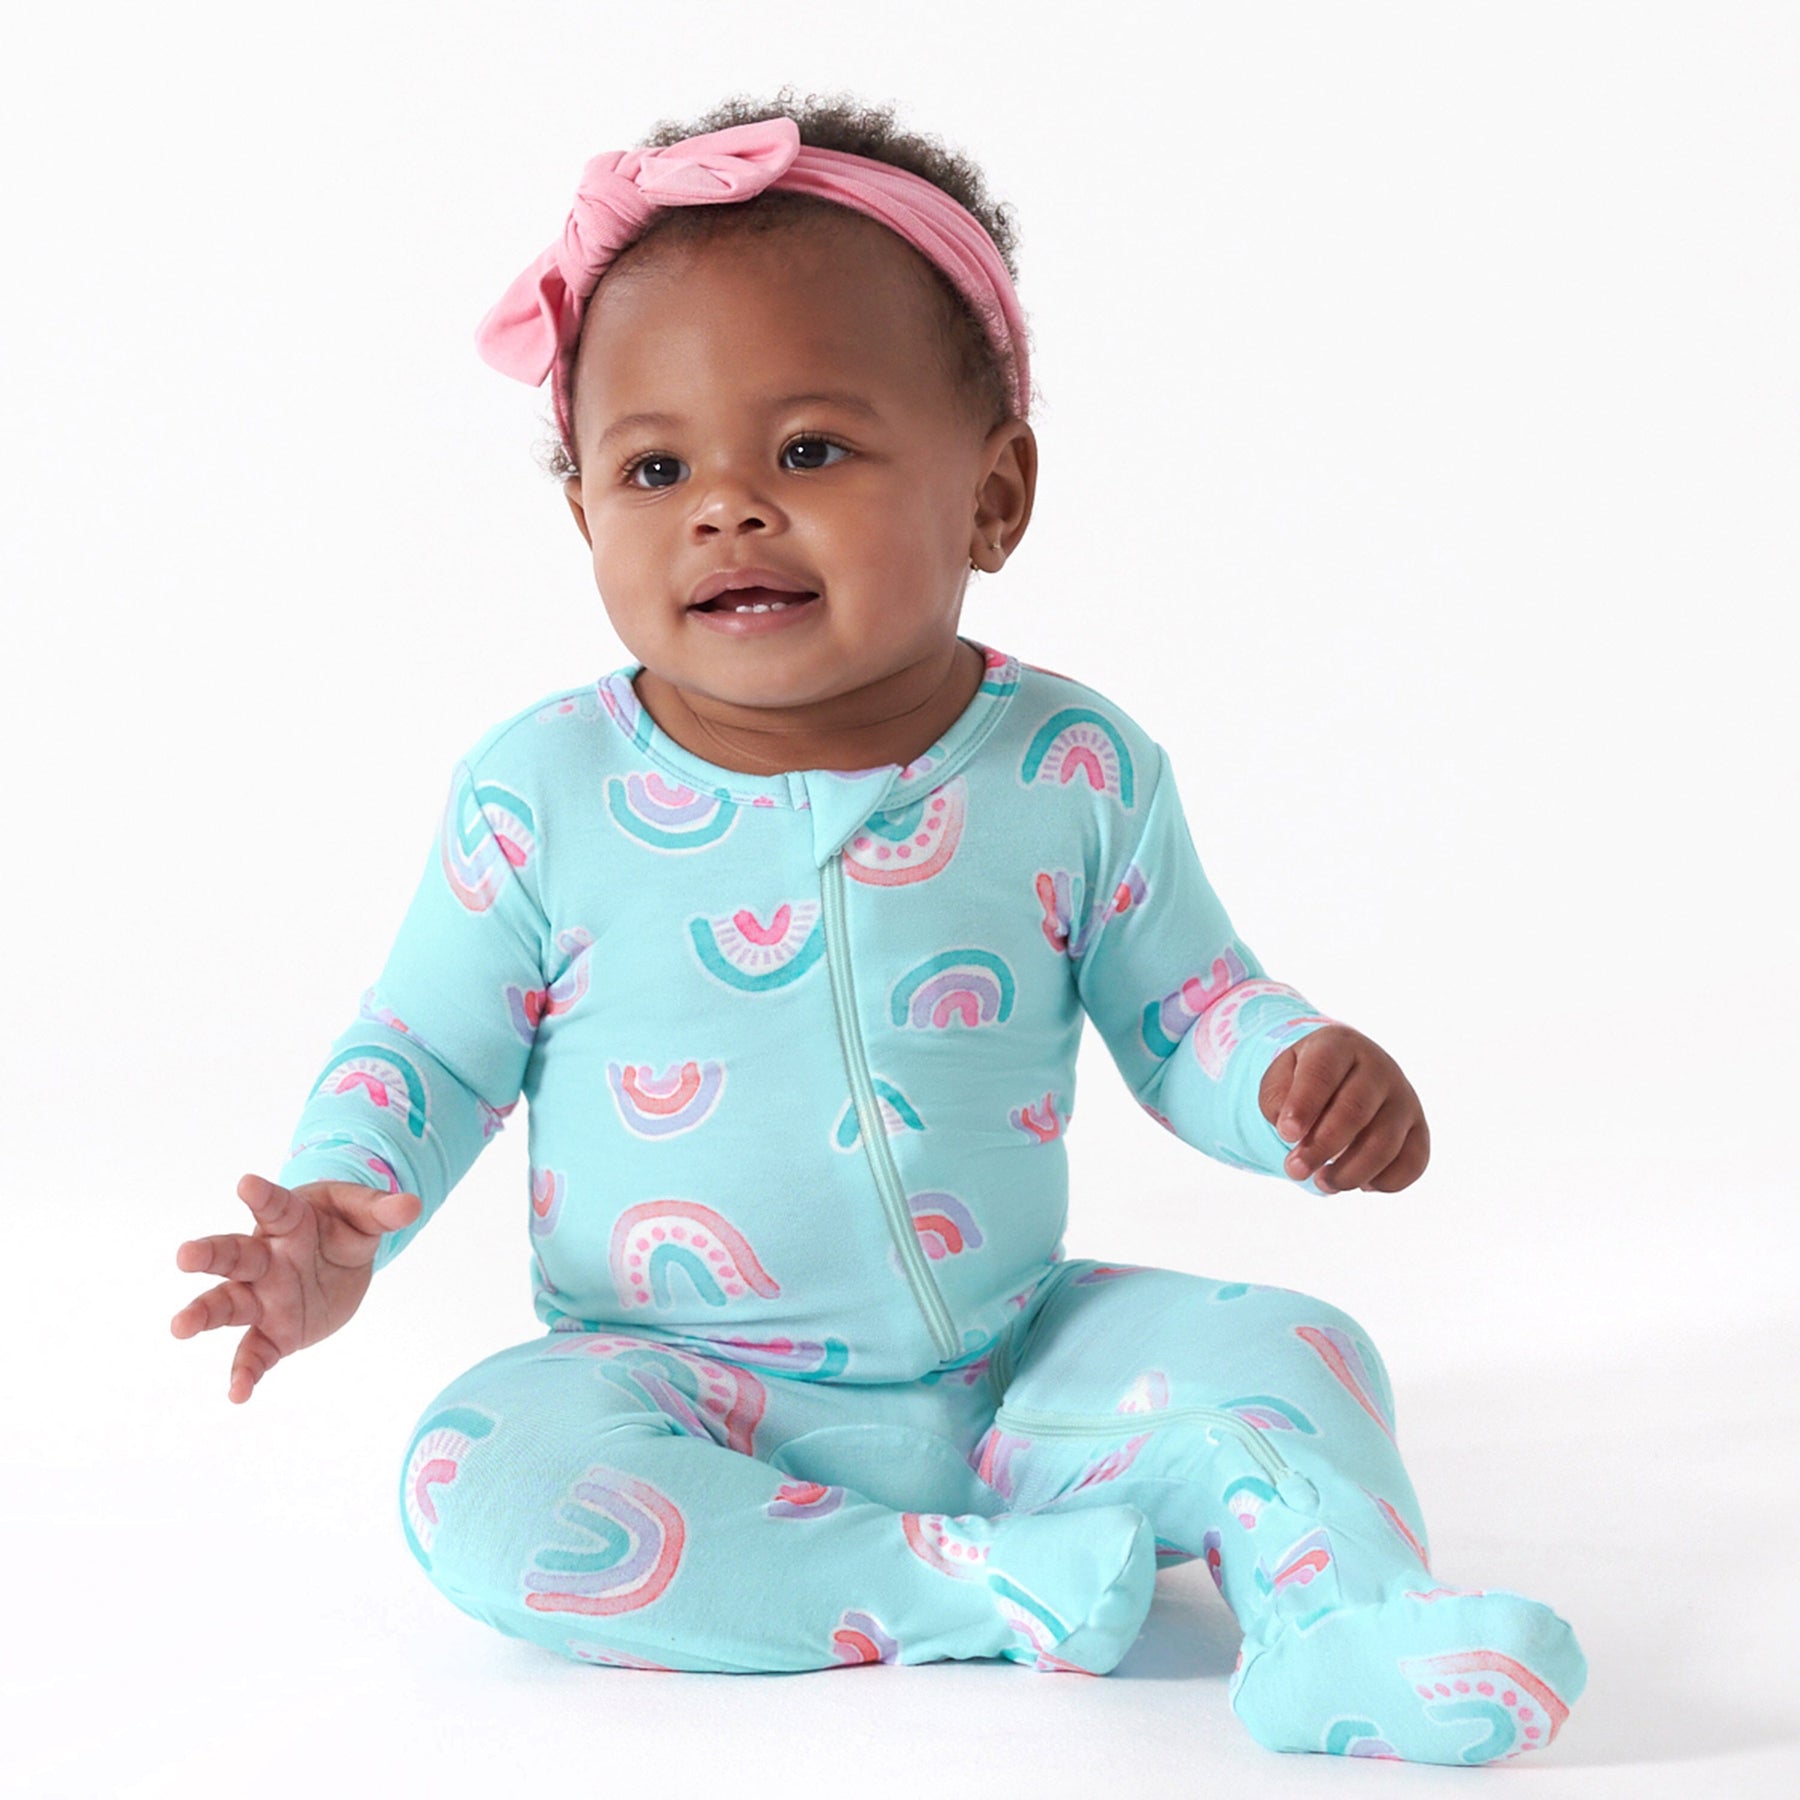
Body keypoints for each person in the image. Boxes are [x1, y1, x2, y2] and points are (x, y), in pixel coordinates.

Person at [170, 91, 1585, 1764]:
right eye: (655, 467)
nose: (725, 508)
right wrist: (342, 1204)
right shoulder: (540, 793)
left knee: (1297, 1349)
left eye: (810, 450)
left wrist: (1294, 1075)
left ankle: (1342, 1628)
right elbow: (425, 1045)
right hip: (678, 1390)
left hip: (1019, 1369)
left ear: (995, 494)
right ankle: (970, 1588)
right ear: (585, 516)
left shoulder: (1071, 767)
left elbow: (1193, 1009)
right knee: (479, 1476)